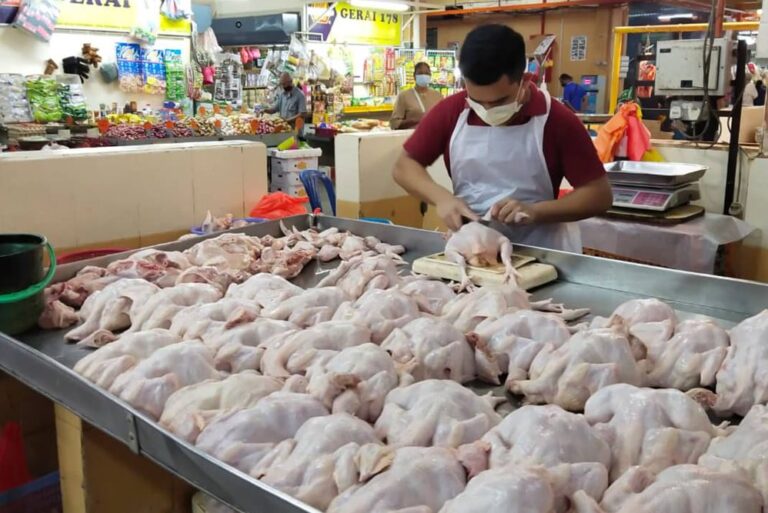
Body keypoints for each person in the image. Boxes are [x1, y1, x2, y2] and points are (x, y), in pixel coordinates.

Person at [392, 24, 612, 253]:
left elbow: (598, 195)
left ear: (524, 80)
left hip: (541, 250)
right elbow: (404, 166)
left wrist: (536, 211)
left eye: (499, 102)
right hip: (474, 247)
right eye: (476, 101)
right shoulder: (451, 111)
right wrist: (442, 198)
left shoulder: (556, 120)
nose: (486, 110)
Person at [390, 62, 444, 130]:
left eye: (427, 73)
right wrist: (413, 122)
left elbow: (444, 119)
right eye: (420, 73)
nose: (424, 75)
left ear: (430, 76)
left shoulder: (438, 96)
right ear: (414, 76)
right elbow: (394, 123)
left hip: (433, 134)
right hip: (412, 134)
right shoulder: (404, 96)